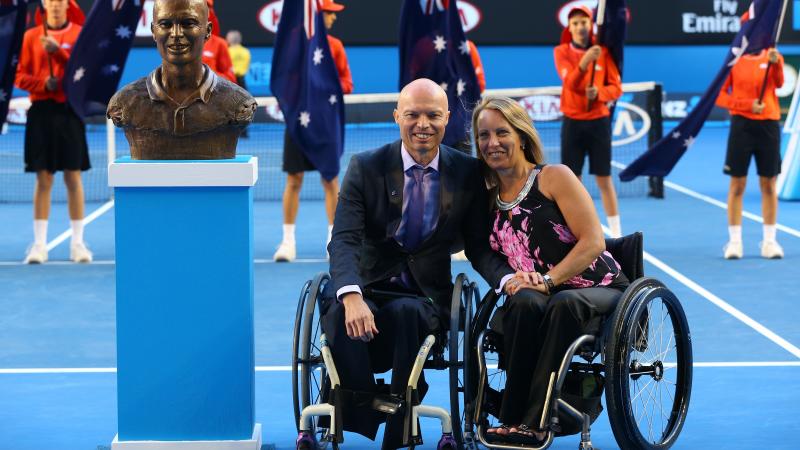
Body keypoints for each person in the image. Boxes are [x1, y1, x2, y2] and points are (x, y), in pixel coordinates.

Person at [315, 79, 524, 450]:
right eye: (412, 114)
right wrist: (351, 294)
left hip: (423, 295)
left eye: (432, 115)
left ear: (447, 120)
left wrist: (506, 278)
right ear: (397, 116)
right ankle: (368, 409)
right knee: (334, 314)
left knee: (410, 313)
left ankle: (395, 433)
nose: (422, 124)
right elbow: (344, 238)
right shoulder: (365, 167)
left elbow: (478, 247)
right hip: (365, 284)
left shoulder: (468, 172)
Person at [472, 96, 629, 444]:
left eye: (502, 133)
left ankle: (537, 419)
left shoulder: (554, 177)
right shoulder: (485, 196)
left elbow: (593, 242)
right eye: (484, 136)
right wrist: (511, 280)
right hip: (540, 292)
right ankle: (510, 417)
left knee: (563, 302)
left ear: (522, 136)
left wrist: (547, 280)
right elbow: (479, 250)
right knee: (523, 303)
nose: (492, 143)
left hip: (597, 285)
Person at [107, 0, 256, 160]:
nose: (176, 33)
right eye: (165, 24)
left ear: (208, 30)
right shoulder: (125, 102)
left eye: (188, 23)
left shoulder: (239, 103)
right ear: (153, 31)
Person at [273, 0, 354, 262]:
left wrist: (320, 86)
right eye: (330, 13)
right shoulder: (295, 45)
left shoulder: (336, 46)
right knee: (293, 180)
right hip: (298, 122)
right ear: (318, 14)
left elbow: (347, 83)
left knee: (330, 180)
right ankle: (287, 242)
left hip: (325, 123)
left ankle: (334, 240)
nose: (333, 18)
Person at [15, 0, 91, 264]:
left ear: (66, 5)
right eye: (52, 1)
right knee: (43, 179)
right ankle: (39, 245)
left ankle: (78, 244)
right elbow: (18, 75)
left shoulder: (79, 33)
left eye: (60, 1)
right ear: (45, 5)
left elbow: (82, 73)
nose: (56, 6)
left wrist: (58, 53)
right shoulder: (30, 37)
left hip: (69, 111)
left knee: (73, 178)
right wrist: (41, 84)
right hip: (41, 113)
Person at [554, 5, 623, 238]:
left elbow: (616, 87)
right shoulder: (561, 52)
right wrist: (585, 62)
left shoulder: (602, 51)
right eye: (575, 23)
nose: (580, 27)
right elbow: (571, 83)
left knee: (604, 178)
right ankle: (574, 231)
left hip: (599, 122)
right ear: (569, 28)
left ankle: (616, 232)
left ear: (590, 25)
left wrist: (600, 94)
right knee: (572, 181)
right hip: (573, 122)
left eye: (584, 22)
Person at [715, 47, 785, 259]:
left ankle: (770, 242)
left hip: (769, 125)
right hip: (742, 126)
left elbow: (779, 83)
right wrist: (746, 105)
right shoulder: (734, 60)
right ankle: (735, 242)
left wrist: (776, 64)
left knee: (769, 184)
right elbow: (720, 97)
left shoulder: (773, 54)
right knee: (737, 185)